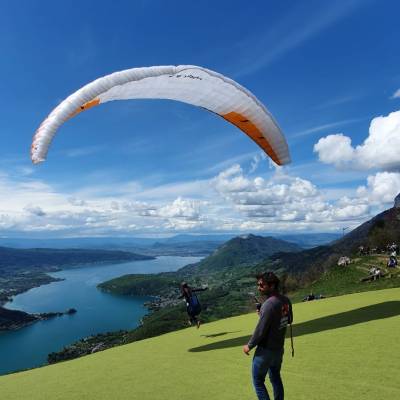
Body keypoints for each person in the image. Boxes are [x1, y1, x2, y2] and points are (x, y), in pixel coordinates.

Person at [243, 272, 293, 400]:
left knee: (258, 381)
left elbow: (261, 330)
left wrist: (249, 345)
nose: (258, 287)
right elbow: (289, 319)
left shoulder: (269, 305)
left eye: (261, 285)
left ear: (272, 286)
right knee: (275, 377)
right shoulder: (285, 301)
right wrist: (264, 314)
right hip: (278, 349)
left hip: (265, 351)